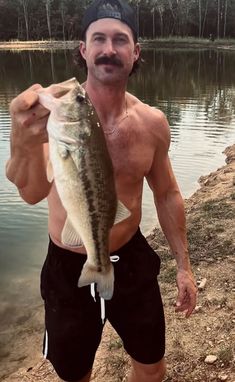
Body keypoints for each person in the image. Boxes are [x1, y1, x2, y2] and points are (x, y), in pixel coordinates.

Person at [6, 0, 197, 381]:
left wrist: (184, 267)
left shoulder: (153, 123)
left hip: (132, 259)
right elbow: (30, 192)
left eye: (120, 40)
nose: (109, 49)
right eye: (99, 39)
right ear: (83, 49)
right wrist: (22, 139)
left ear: (135, 51)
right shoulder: (54, 114)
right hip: (66, 266)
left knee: (152, 366)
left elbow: (167, 194)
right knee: (75, 375)